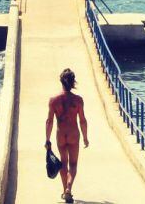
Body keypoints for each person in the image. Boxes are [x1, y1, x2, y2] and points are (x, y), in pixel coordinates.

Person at [45, 69, 88, 204]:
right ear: (73, 82)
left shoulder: (53, 100)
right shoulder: (78, 100)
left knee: (63, 163)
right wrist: (85, 137)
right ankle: (69, 187)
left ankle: (65, 191)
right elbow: (82, 120)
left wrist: (47, 139)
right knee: (73, 164)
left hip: (60, 134)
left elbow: (49, 121)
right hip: (74, 134)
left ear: (61, 82)